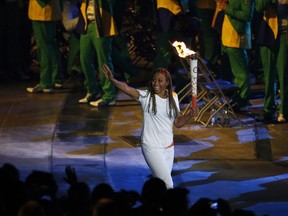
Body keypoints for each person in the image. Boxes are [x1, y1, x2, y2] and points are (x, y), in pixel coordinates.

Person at [101, 63, 196, 189]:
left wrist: (190, 115)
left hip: (169, 148)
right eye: (154, 80)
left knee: (160, 184)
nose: (156, 83)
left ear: (167, 82)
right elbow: (127, 88)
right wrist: (113, 81)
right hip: (151, 147)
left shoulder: (173, 97)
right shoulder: (146, 96)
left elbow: (178, 123)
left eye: (160, 81)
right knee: (168, 185)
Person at [77, 0, 117, 107]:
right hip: (87, 23)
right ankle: (92, 90)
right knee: (84, 59)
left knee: (103, 61)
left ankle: (109, 95)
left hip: (102, 24)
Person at [254, 0, 288, 123]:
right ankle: (268, 109)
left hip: (284, 35)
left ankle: (283, 111)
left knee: (283, 76)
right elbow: (258, 7)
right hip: (268, 33)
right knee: (269, 76)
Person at [219, 0, 254, 112]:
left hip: (236, 38)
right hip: (229, 38)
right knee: (235, 73)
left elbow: (247, 14)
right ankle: (238, 98)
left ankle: (242, 99)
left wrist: (227, 8)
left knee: (241, 72)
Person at [26, 0, 64, 93]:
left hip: (42, 12)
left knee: (44, 48)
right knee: (51, 45)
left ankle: (46, 83)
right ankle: (56, 78)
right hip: (50, 11)